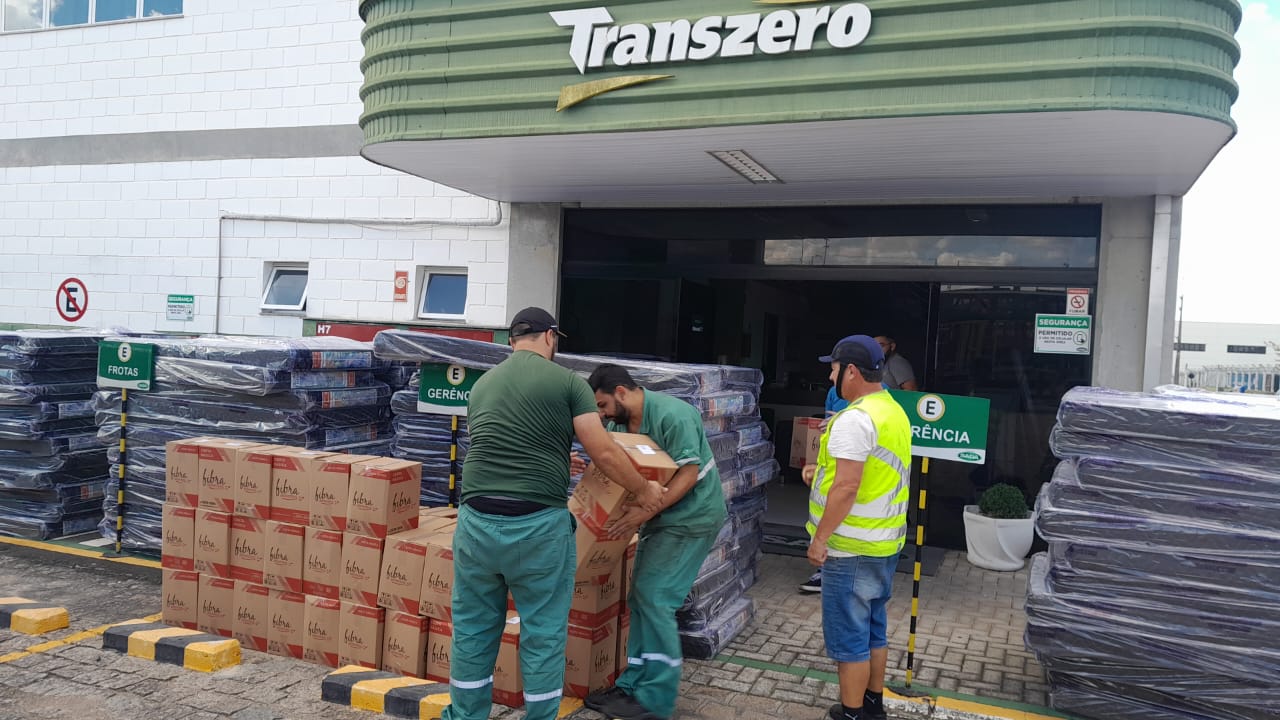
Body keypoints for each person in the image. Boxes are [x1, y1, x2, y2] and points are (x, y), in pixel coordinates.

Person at [442, 308, 667, 720]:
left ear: (512, 341)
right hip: (535, 526)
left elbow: (500, 445)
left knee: (473, 629)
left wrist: (555, 457)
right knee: (542, 633)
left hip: (475, 522)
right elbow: (601, 449)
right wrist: (644, 488)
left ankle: (464, 715)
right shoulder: (568, 383)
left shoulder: (484, 384)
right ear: (550, 337)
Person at [580, 364, 727, 720]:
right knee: (640, 596)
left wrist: (643, 514)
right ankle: (633, 685)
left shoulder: (675, 416)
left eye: (601, 405)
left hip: (690, 518)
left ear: (620, 392)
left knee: (656, 599)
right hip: (661, 520)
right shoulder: (619, 424)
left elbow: (688, 475)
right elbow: (619, 467)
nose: (600, 415)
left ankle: (656, 697)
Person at [804, 336, 912, 720]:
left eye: (833, 368)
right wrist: (818, 475)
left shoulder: (855, 417)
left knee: (849, 639)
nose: (830, 375)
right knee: (873, 630)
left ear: (850, 370)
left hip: (849, 548)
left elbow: (848, 486)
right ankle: (871, 705)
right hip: (883, 544)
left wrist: (820, 540)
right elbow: (868, 474)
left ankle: (851, 715)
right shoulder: (892, 410)